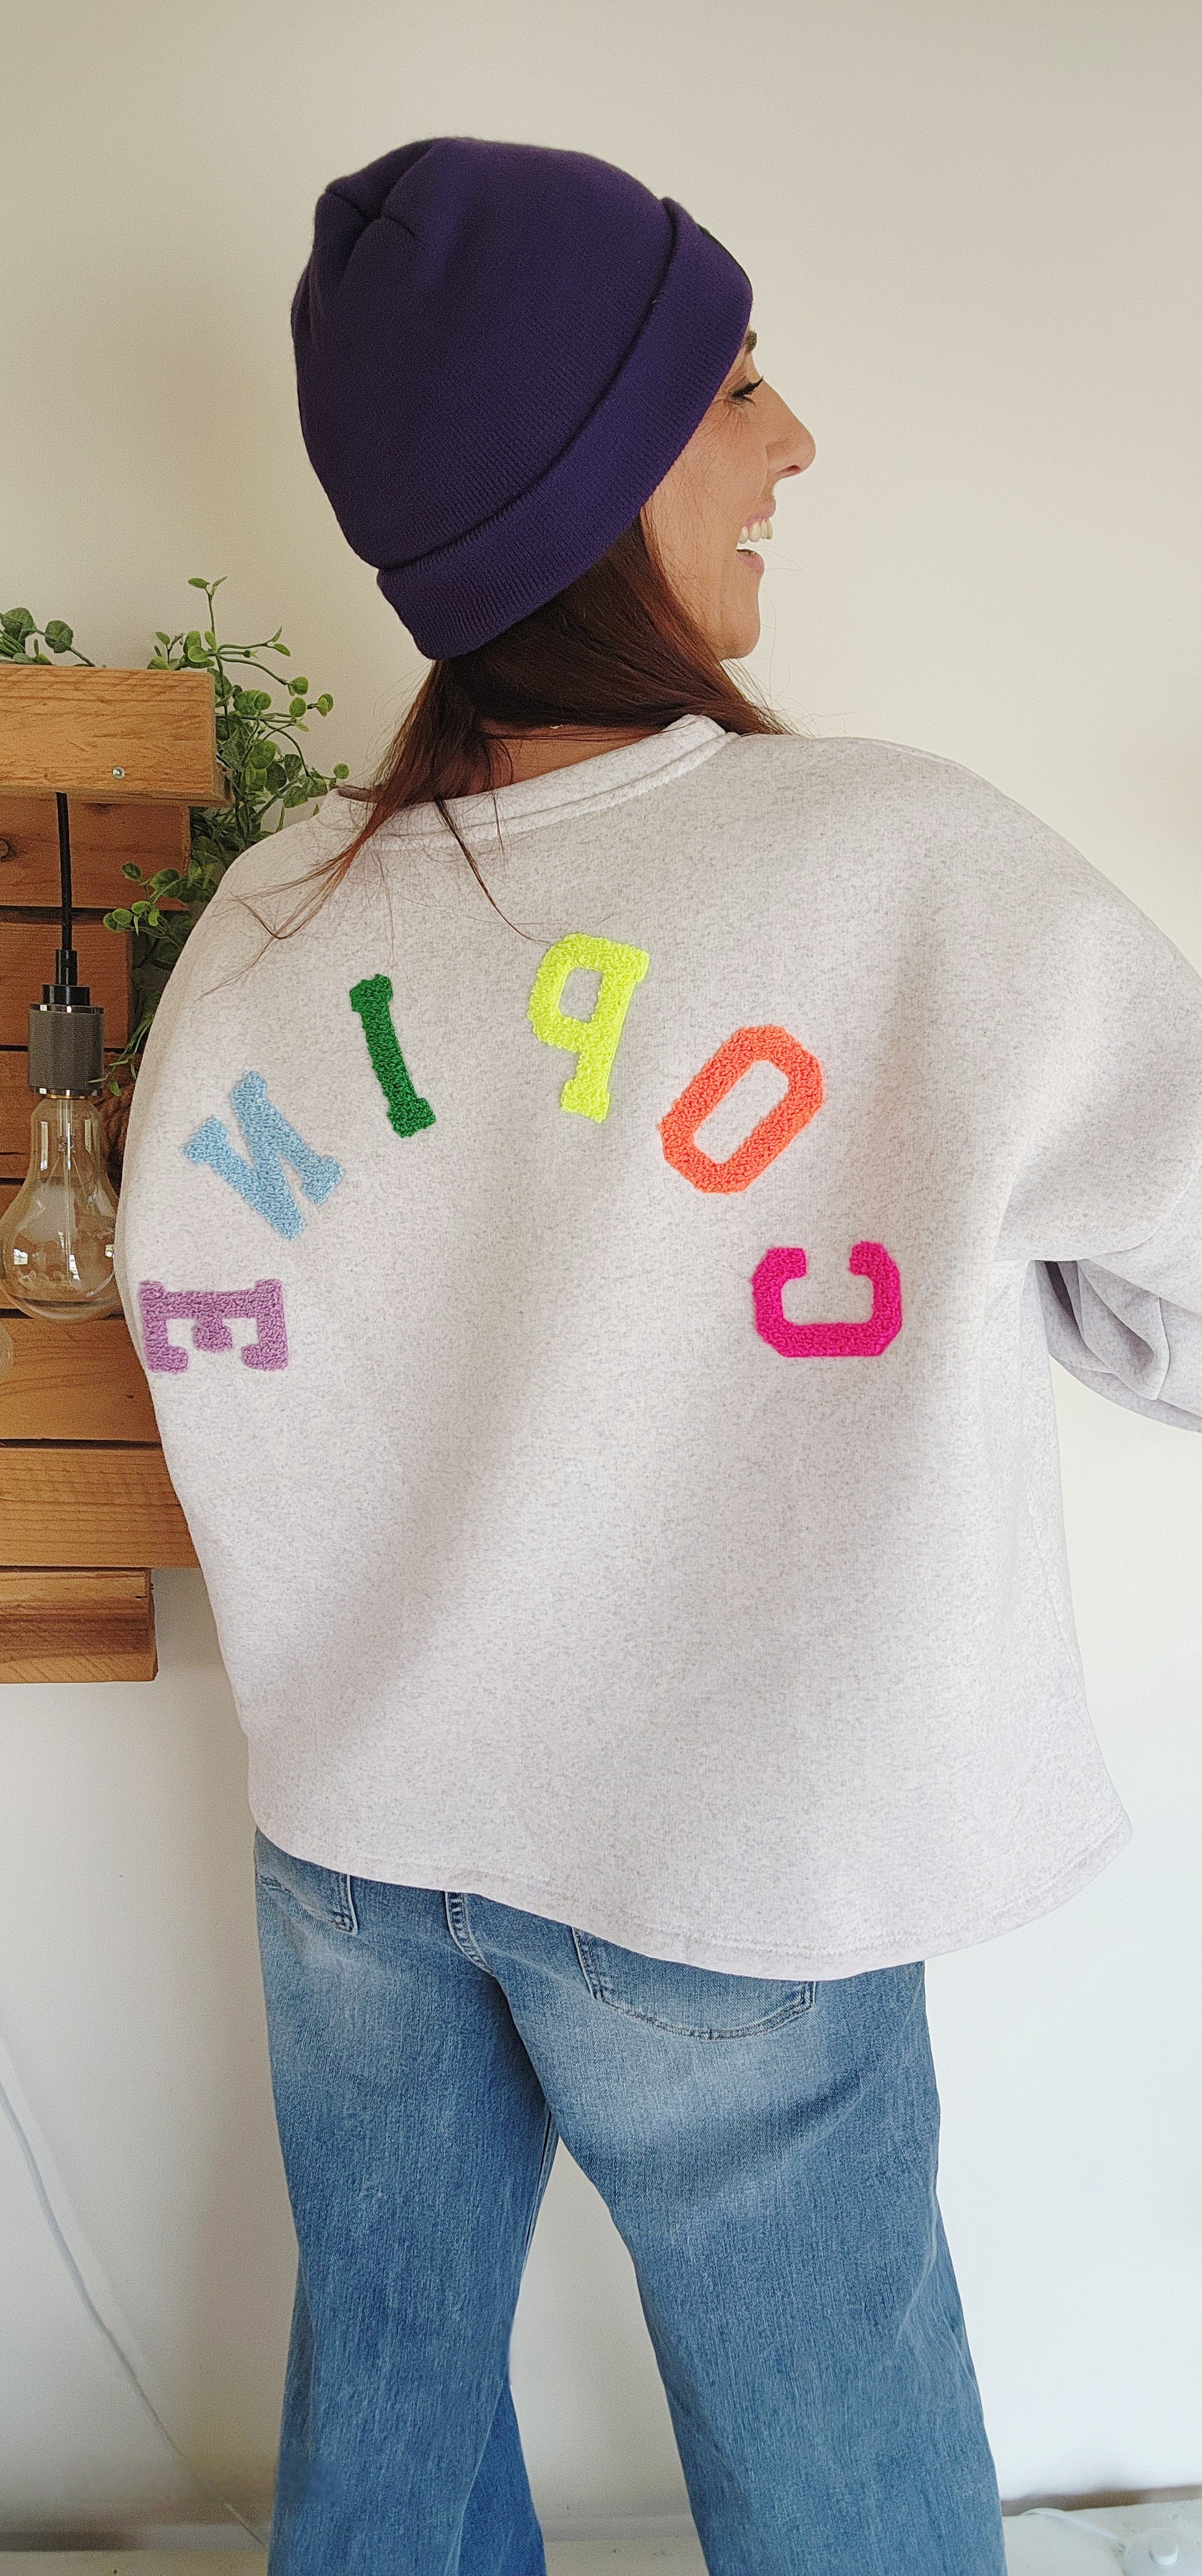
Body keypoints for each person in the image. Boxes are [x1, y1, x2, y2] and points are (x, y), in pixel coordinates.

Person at [114, 138, 1202, 2576]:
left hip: (354, 1836)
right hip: (722, 1852)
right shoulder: (892, 871)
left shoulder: (270, 920)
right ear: (588, 470)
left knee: (385, 2425)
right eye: (728, 385)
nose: (791, 437)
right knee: (838, 2486)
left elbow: (225, 1338)